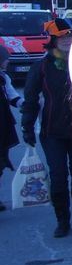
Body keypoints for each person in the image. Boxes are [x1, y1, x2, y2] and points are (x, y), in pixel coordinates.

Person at [20, 18, 72, 237]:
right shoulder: (41, 67)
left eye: (70, 36)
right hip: (52, 132)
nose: (67, 41)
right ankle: (62, 219)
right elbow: (30, 98)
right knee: (58, 176)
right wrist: (27, 126)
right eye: (62, 38)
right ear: (52, 41)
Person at [0, 44, 24, 211]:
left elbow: (12, 96)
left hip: (2, 125)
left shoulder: (3, 78)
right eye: (5, 60)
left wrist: (27, 104)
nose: (7, 62)